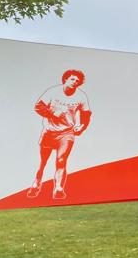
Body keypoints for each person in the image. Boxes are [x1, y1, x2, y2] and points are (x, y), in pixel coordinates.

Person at [27, 69, 92, 201]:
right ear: (65, 79)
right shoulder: (53, 91)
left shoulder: (81, 96)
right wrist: (53, 113)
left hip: (66, 133)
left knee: (61, 160)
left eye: (78, 81)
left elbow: (86, 115)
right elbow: (38, 107)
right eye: (73, 79)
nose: (75, 82)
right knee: (43, 161)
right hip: (49, 132)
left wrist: (82, 126)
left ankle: (58, 189)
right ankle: (37, 183)